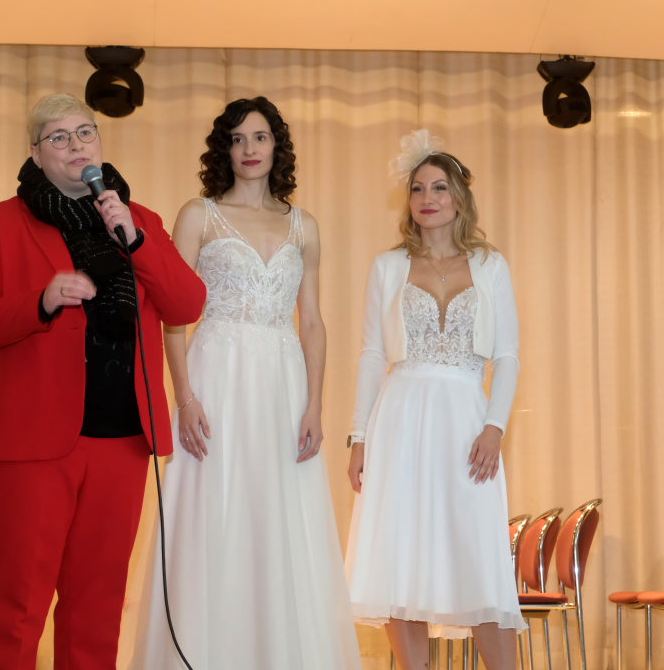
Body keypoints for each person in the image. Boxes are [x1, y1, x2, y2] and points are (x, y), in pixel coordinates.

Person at [0, 93, 206, 669]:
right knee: (15, 606)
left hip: (122, 441)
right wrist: (39, 301)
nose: (75, 145)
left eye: (85, 132)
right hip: (29, 444)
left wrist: (136, 242)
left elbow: (187, 304)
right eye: (58, 137)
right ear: (36, 154)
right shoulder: (2, 222)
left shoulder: (139, 221)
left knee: (98, 605)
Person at [130, 97, 360, 669]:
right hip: (217, 377)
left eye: (259, 137)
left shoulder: (304, 225)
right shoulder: (198, 215)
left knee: (279, 516)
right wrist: (184, 397)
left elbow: (312, 321)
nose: (249, 149)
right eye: (237, 139)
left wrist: (315, 405)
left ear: (277, 145)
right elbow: (173, 314)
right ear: (224, 149)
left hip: (282, 383)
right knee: (214, 508)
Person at [345, 130, 525, 670]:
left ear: (459, 197)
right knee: (400, 558)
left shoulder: (491, 266)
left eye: (439, 187)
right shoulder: (388, 267)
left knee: (478, 556)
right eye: (418, 188)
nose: (427, 198)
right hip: (399, 419)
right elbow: (372, 355)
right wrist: (359, 436)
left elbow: (508, 357)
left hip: (468, 421)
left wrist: (494, 426)